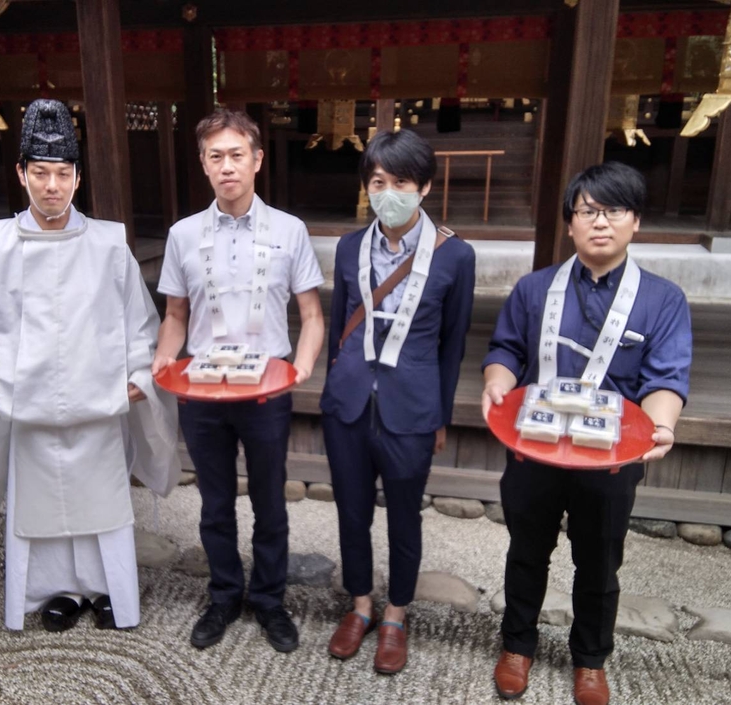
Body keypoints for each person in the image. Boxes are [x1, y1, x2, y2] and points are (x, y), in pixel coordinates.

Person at [0, 99, 180, 633]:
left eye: (62, 174)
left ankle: (107, 588)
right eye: (40, 173)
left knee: (102, 504)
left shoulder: (108, 245)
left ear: (78, 177)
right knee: (41, 513)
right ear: (21, 174)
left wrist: (140, 375)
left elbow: (139, 323)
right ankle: (56, 589)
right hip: (27, 408)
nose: (52, 186)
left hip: (97, 405)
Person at [482, 161, 691, 705]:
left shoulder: (662, 299)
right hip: (533, 450)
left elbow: (665, 378)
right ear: (570, 223)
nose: (600, 222)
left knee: (599, 560)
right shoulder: (533, 289)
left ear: (635, 221)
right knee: (527, 551)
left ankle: (590, 660)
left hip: (611, 460)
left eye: (614, 210)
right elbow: (506, 350)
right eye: (587, 210)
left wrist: (662, 425)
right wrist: (497, 383)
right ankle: (517, 646)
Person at [152, 110, 325, 653]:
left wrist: (300, 367)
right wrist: (161, 365)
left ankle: (270, 600)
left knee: (271, 501)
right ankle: (225, 595)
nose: (227, 166)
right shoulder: (183, 235)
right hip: (203, 389)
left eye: (236, 155)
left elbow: (312, 314)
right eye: (215, 156)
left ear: (257, 160)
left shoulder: (289, 230)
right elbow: (175, 315)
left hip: (265, 388)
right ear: (203, 164)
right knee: (215, 502)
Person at [320, 129, 476, 674]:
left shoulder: (455, 255)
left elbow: (452, 346)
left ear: (425, 187)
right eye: (378, 182)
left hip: (411, 409)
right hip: (348, 407)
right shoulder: (347, 247)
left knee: (404, 518)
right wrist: (335, 385)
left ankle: (394, 614)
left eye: (401, 182)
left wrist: (440, 415)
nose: (388, 193)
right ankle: (359, 604)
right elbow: (341, 326)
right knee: (351, 513)